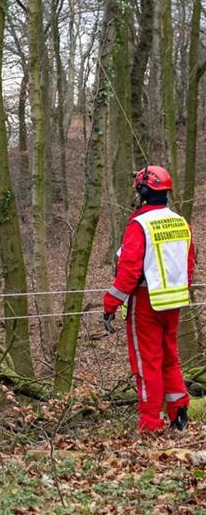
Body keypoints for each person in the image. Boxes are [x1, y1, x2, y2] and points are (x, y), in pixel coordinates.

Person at [103, 165, 195, 433]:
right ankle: (179, 413)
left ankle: (150, 423)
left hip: (146, 301)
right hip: (175, 301)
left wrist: (111, 303)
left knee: (147, 363)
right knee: (170, 359)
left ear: (143, 192)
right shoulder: (181, 222)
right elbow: (188, 265)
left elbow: (129, 271)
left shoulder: (139, 224)